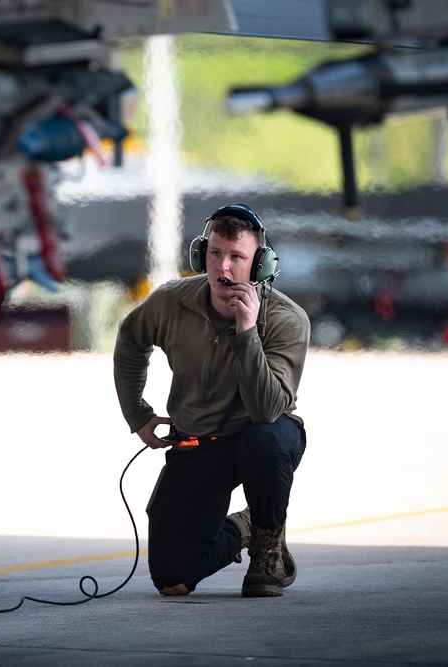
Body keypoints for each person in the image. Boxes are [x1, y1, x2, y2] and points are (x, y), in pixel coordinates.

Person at [113, 203, 310, 598]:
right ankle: (245, 527)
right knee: (173, 579)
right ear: (200, 255)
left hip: (259, 434)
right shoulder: (172, 302)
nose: (223, 268)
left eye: (237, 257)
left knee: (266, 440)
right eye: (216, 254)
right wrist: (138, 414)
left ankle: (268, 548)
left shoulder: (288, 320)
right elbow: (131, 340)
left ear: (259, 266)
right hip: (197, 442)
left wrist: (247, 332)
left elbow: (266, 409)